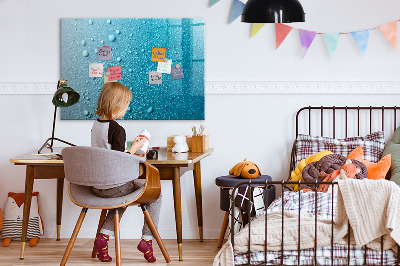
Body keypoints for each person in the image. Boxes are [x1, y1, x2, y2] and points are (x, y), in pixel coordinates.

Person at [91, 82, 161, 263]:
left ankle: (103, 238)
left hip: (97, 186)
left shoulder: (96, 125)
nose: (126, 109)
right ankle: (147, 240)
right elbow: (119, 161)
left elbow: (108, 154)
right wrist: (136, 148)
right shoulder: (117, 129)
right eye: (126, 105)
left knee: (122, 197)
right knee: (156, 194)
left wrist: (130, 150)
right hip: (114, 186)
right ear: (117, 104)